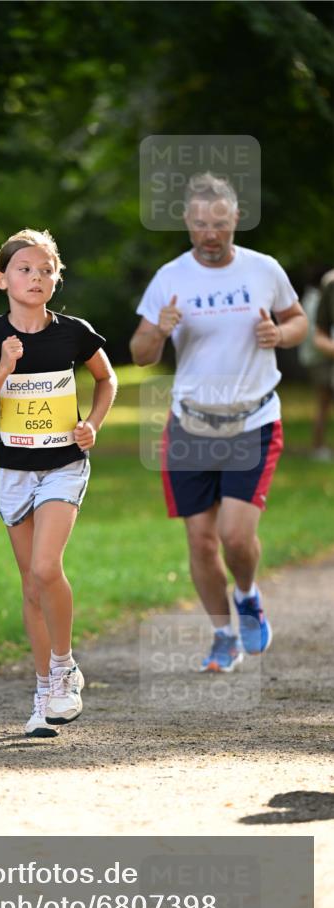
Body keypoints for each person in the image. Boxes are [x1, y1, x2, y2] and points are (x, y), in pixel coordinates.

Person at [130, 173, 307, 672]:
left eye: (221, 223)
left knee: (233, 535)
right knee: (201, 541)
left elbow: (298, 321)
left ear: (235, 221)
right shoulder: (170, 278)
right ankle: (223, 635)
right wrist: (159, 333)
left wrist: (281, 333)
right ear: (188, 223)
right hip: (190, 426)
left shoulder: (263, 269)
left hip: (253, 420)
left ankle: (248, 595)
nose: (211, 233)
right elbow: (139, 353)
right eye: (202, 224)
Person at [0, 229, 116, 736]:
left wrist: (92, 423)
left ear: (56, 279)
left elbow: (107, 377)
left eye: (46, 269)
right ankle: (44, 691)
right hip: (11, 469)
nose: (36, 277)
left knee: (47, 566)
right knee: (31, 584)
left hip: (64, 466)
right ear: (2, 278)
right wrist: (6, 364)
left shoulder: (73, 332)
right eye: (25, 269)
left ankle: (65, 666)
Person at [298, 267, 334, 461]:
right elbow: (317, 335)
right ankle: (318, 447)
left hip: (319, 357)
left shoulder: (311, 298)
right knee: (323, 403)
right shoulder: (316, 300)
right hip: (319, 359)